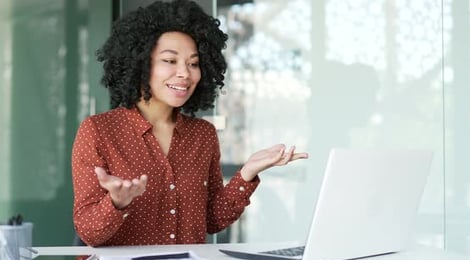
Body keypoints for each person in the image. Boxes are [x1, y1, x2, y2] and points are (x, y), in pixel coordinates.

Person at [71, 0, 308, 247]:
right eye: (170, 61)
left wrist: (247, 173)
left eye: (193, 63)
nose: (185, 73)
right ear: (140, 62)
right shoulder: (99, 131)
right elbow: (89, 232)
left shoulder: (202, 134)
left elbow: (212, 221)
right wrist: (117, 202)